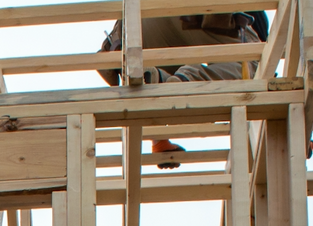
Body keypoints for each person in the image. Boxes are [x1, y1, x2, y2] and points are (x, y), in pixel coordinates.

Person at [97, 12, 268, 167]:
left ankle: (159, 135)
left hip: (134, 25)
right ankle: (182, 83)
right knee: (251, 64)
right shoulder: (257, 27)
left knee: (156, 77)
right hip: (192, 13)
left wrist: (160, 141)